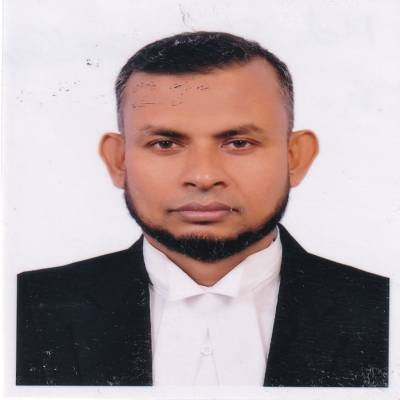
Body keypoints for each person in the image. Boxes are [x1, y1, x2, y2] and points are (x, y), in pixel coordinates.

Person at [16, 31, 389, 387]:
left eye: (239, 143)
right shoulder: (22, 308)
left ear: (295, 157)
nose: (204, 177)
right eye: (165, 144)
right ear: (118, 161)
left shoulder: (385, 310)